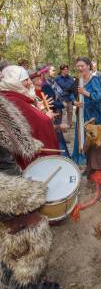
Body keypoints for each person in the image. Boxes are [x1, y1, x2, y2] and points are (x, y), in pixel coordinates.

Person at [0, 94, 58, 289]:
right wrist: (27, 193)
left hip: (12, 182)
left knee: (12, 246)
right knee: (26, 245)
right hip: (10, 195)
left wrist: (29, 144)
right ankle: (26, 284)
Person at [0, 65, 59, 169]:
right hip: (32, 160)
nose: (29, 82)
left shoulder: (17, 98)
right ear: (13, 81)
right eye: (25, 80)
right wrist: (46, 117)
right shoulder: (13, 100)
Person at [72, 57, 101, 165]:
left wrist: (85, 93)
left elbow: (100, 97)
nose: (80, 68)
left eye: (82, 66)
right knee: (82, 140)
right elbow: (69, 94)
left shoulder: (94, 79)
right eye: (78, 66)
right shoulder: (78, 80)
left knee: (94, 141)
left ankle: (95, 164)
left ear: (88, 66)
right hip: (81, 114)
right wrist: (74, 102)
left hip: (94, 116)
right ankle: (86, 164)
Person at [42, 65, 70, 157]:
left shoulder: (52, 81)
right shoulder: (45, 85)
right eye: (52, 70)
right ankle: (64, 158)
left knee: (59, 135)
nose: (54, 72)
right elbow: (50, 101)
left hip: (55, 111)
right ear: (45, 73)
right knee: (58, 136)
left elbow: (59, 93)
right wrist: (62, 104)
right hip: (52, 112)